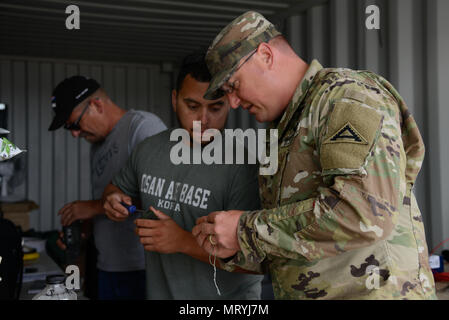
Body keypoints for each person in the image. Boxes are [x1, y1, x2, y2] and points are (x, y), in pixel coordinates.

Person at [192, 11, 437, 300]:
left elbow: (363, 213)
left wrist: (245, 230)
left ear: (266, 55)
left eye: (233, 86)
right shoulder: (285, 128)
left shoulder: (345, 97)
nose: (232, 102)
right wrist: (235, 246)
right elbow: (298, 243)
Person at [102, 52, 265, 300]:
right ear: (174, 99)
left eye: (216, 107)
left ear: (230, 103)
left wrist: (182, 241)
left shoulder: (244, 167)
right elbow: (116, 189)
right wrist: (113, 200)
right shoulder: (148, 150)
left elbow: (257, 261)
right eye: (192, 106)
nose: (203, 120)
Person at [48, 76, 167, 299]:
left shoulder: (141, 127)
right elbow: (105, 206)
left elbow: (163, 195)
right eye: (68, 129)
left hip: (143, 269)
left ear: (97, 105)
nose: (74, 133)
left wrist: (93, 208)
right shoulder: (97, 146)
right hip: (108, 269)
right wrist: (83, 232)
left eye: (75, 124)